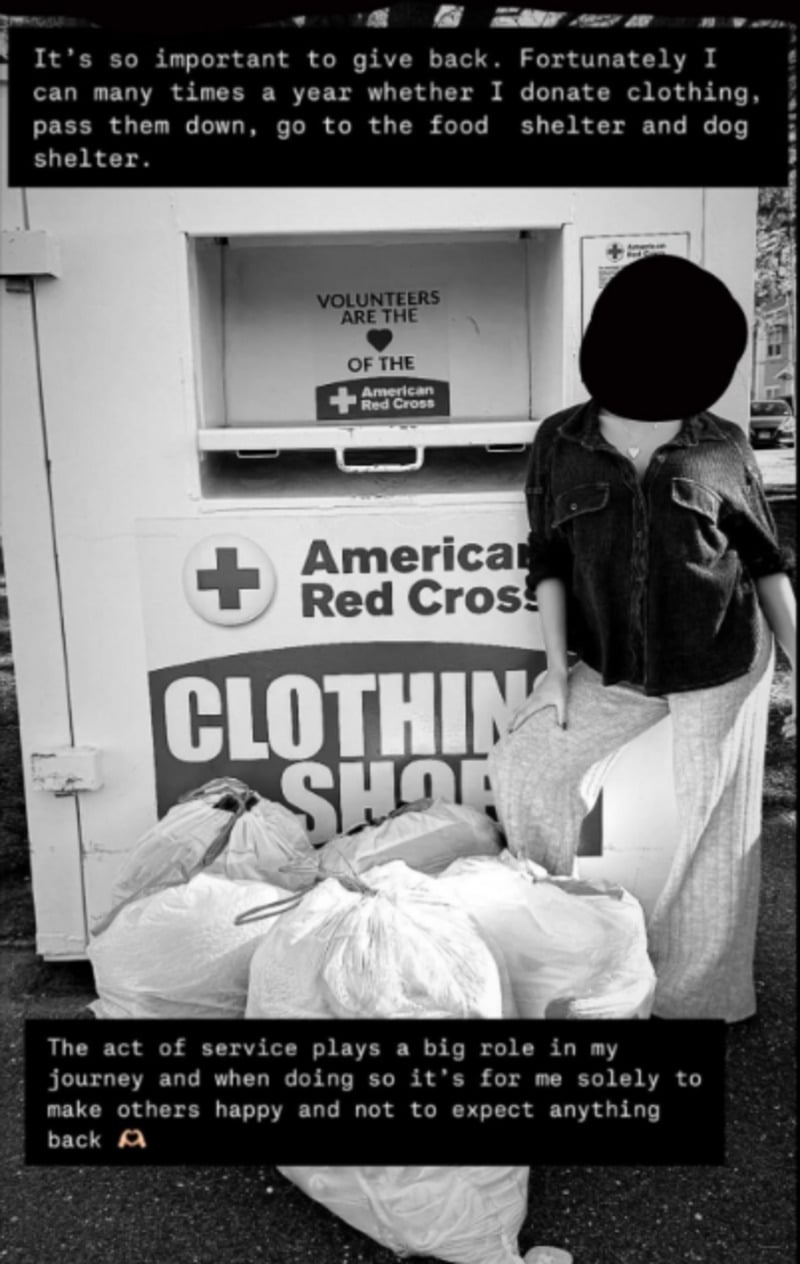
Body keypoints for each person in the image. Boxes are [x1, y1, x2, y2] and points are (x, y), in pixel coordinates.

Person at [488, 254, 796, 1023]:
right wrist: (556, 672)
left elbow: (763, 559)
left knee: (714, 833)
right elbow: (548, 558)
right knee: (528, 768)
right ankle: (558, 948)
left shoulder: (719, 444)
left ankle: (700, 1000)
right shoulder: (560, 442)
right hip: (609, 663)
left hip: (718, 658)